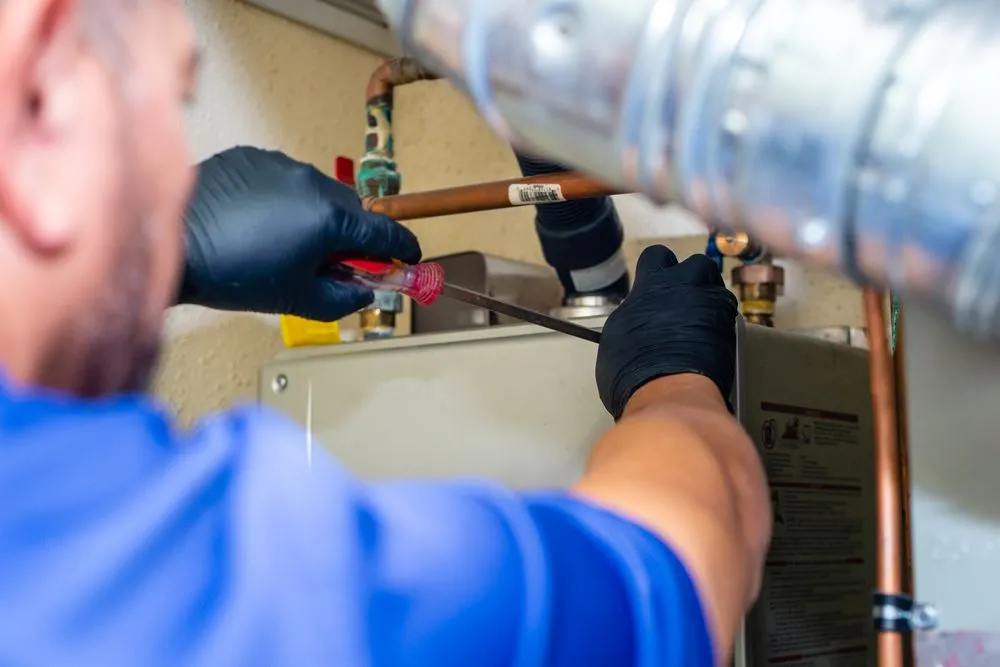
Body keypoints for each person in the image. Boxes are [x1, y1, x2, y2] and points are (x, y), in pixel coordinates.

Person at [0, 2, 771, 666]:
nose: (178, 163)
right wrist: (671, 379)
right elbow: (688, 553)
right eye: (174, 103)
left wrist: (163, 251)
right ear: (47, 91)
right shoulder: (228, 588)